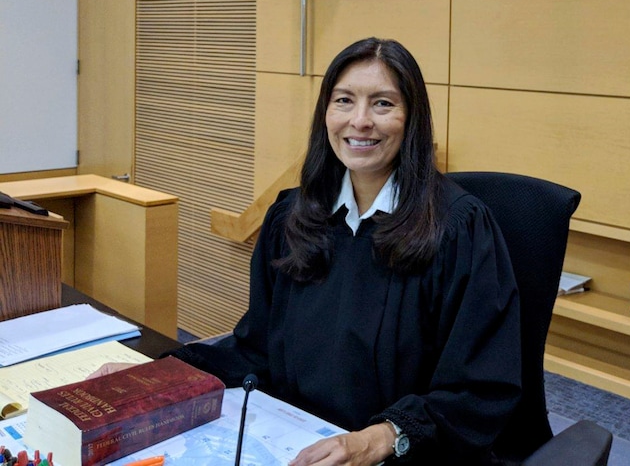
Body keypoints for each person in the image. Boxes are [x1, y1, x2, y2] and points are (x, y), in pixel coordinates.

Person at [173, 38, 523, 464]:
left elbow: (480, 388)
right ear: (326, 113)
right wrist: (160, 377)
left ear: (411, 118)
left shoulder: (458, 229)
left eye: (382, 104)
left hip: (407, 454)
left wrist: (378, 439)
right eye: (344, 101)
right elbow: (256, 347)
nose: (360, 121)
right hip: (296, 441)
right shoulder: (290, 217)